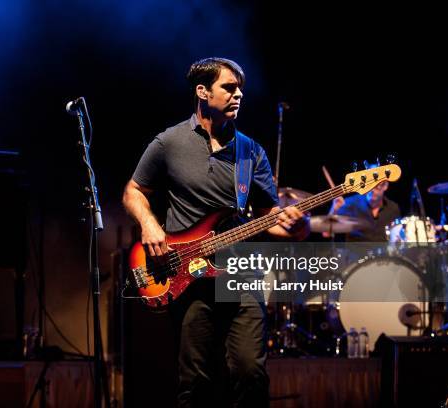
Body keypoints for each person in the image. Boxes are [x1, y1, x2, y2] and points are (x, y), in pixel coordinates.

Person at [122, 58, 308, 408]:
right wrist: (149, 224)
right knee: (195, 381)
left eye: (241, 89)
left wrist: (299, 228)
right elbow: (133, 191)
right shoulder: (168, 142)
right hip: (188, 275)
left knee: (250, 372)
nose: (238, 95)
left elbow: (270, 218)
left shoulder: (251, 152)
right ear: (202, 91)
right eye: (229, 87)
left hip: (241, 276)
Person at [329, 174, 400, 242]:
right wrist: (334, 209)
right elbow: (326, 233)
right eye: (369, 186)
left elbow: (395, 236)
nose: (372, 190)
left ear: (385, 186)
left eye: (376, 186)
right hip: (356, 252)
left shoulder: (393, 208)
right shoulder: (351, 203)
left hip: (383, 253)